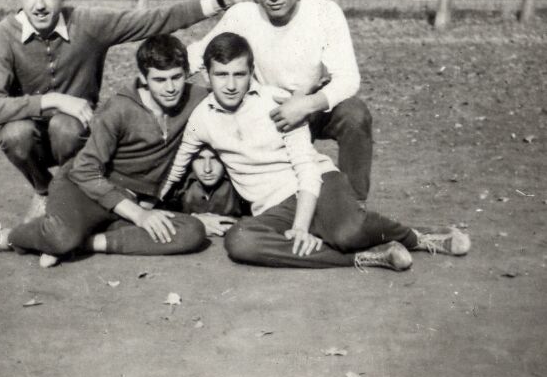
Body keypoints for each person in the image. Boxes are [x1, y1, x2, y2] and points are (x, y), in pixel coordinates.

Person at [163, 33, 471, 271]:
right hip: (272, 208)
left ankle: (417, 237)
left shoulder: (276, 103)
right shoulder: (201, 118)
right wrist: (149, 206)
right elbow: (177, 168)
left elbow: (306, 168)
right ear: (207, 76)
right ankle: (366, 258)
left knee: (347, 232)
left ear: (251, 73)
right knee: (241, 241)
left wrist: (300, 226)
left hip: (317, 185)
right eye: (221, 75)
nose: (230, 85)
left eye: (238, 74)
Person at [0, 0, 246, 220]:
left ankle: (72, 194)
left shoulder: (87, 24)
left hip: (75, 134)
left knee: (64, 126)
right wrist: (54, 99)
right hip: (30, 136)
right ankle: (45, 191)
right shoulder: (3, 35)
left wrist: (220, 1)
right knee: (15, 133)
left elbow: (152, 19)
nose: (39, 5)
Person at [0, 35, 209, 267]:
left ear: (186, 72)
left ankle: (86, 242)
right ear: (143, 78)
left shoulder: (196, 98)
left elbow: (233, 94)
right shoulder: (120, 108)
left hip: (133, 201)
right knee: (61, 236)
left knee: (193, 232)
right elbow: (85, 170)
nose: (171, 88)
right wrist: (139, 215)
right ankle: (5, 238)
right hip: (86, 187)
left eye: (176, 77)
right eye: (160, 80)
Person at [187, 0, 371, 202]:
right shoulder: (244, 14)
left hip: (311, 106)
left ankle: (354, 204)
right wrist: (155, 73)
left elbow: (348, 78)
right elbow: (199, 54)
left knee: (354, 114)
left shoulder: (324, 11)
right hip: (264, 111)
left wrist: (305, 104)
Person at [168, 145, 249, 237]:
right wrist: (196, 221)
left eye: (215, 158)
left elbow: (261, 220)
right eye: (199, 158)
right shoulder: (176, 185)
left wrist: (229, 222)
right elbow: (158, 217)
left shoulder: (241, 184)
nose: (207, 169)